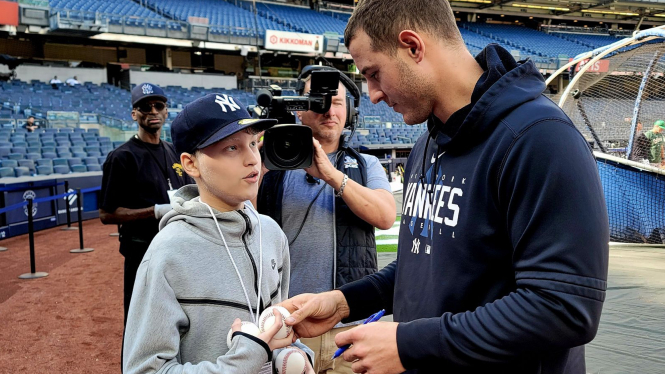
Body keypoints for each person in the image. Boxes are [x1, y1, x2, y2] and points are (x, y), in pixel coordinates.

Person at [280, 1, 609, 374]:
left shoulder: (540, 139)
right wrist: (343, 302)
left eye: (373, 73)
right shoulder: (428, 144)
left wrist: (411, 344)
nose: (371, 94)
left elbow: (564, 308)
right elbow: (425, 266)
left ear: (413, 47)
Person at [123, 93, 314, 374]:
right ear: (191, 164)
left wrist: (297, 354)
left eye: (252, 143)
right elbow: (144, 370)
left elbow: (277, 327)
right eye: (231, 148)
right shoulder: (168, 251)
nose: (252, 159)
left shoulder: (271, 233)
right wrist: (242, 361)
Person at [258, 66, 395, 374]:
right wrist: (259, 161)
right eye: (316, 101)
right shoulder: (273, 165)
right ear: (298, 109)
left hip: (348, 325)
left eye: (336, 102)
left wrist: (332, 175)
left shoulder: (365, 164)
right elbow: (245, 220)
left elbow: (386, 216)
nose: (328, 110)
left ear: (349, 112)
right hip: (285, 326)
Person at [99, 82, 192, 328]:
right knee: (139, 321)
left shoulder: (173, 151)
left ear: (166, 111)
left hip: (178, 249)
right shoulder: (122, 157)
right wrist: (155, 211)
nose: (152, 111)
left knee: (178, 318)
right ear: (134, 114)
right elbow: (107, 214)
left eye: (158, 105)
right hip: (142, 252)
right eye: (144, 107)